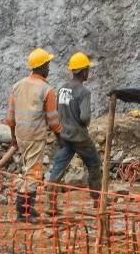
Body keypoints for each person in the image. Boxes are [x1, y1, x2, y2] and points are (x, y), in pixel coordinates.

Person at [6, 48, 62, 222]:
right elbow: (53, 121)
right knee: (34, 172)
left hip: (21, 135)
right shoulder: (47, 89)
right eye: (48, 64)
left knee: (27, 169)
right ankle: (24, 212)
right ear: (43, 66)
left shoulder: (17, 85)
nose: (49, 68)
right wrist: (61, 135)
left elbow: (10, 117)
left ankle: (26, 207)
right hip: (35, 136)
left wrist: (14, 137)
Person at [49, 51, 102, 203]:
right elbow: (85, 117)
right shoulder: (84, 92)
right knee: (94, 163)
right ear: (83, 71)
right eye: (87, 69)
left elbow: (58, 112)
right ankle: (97, 200)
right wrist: (84, 123)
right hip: (79, 137)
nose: (88, 72)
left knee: (58, 167)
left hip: (64, 135)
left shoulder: (62, 88)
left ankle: (49, 204)